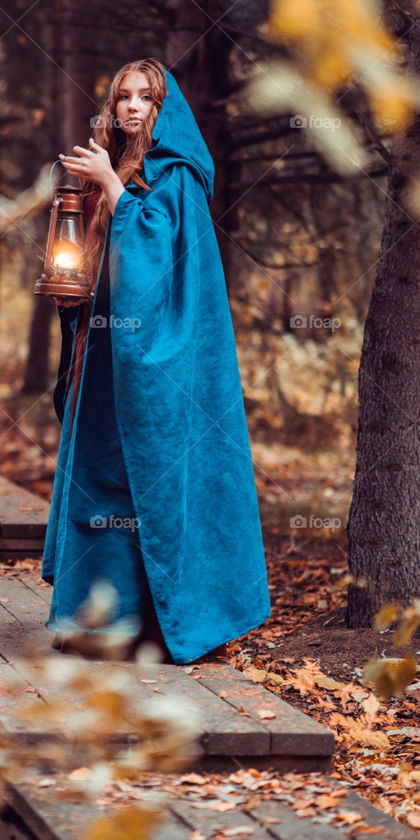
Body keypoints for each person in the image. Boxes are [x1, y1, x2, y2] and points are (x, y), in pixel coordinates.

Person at [41, 58, 271, 663]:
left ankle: (159, 626)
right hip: (108, 358)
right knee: (103, 473)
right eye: (124, 96)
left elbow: (156, 257)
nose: (134, 106)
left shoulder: (179, 175)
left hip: (163, 368)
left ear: (165, 109)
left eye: (147, 97)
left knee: (159, 477)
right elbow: (92, 264)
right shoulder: (113, 168)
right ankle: (99, 618)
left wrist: (113, 191)